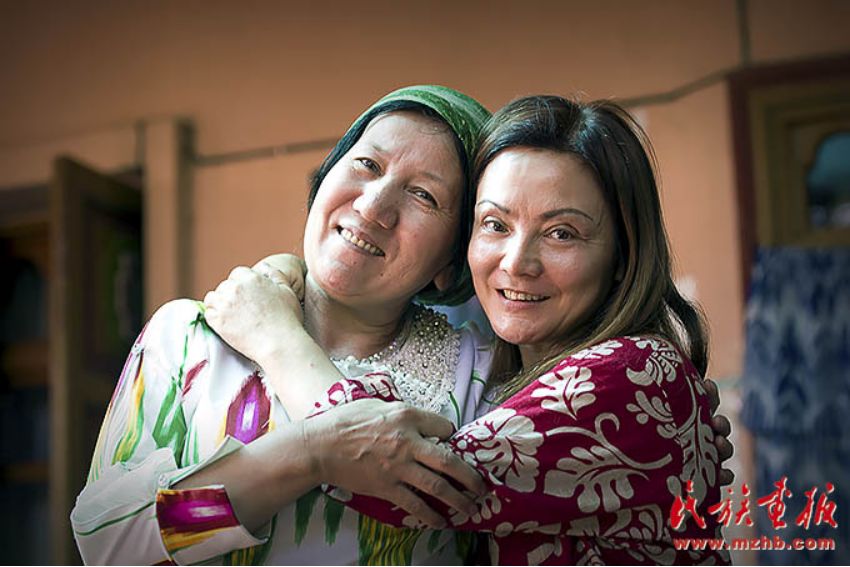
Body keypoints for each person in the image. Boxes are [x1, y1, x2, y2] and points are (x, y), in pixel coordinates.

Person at [208, 95, 732, 565]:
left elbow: (400, 474)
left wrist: (276, 337)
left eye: (562, 233)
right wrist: (286, 275)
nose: (517, 262)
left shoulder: (627, 375)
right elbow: (152, 527)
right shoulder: (191, 340)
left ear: (623, 254)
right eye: (495, 224)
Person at [71, 85, 497, 565]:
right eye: (367, 164)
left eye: (424, 195)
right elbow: (110, 544)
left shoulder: (479, 373)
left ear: (452, 261)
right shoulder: (190, 337)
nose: (373, 206)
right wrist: (310, 453)